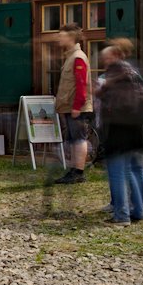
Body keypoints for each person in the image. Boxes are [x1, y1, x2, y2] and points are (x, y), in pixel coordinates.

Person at [97, 44, 143, 224]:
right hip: (137, 127)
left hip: (118, 128)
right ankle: (139, 211)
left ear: (114, 57)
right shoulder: (135, 74)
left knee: (118, 172)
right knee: (134, 170)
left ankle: (121, 215)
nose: (104, 62)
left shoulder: (113, 75)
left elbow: (105, 98)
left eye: (106, 59)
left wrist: (96, 90)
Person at [53, 24, 93, 185]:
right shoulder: (71, 56)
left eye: (61, 35)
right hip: (70, 106)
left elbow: (81, 84)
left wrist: (77, 106)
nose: (59, 38)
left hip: (77, 107)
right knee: (73, 139)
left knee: (78, 139)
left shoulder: (78, 57)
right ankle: (73, 170)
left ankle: (78, 172)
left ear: (70, 38)